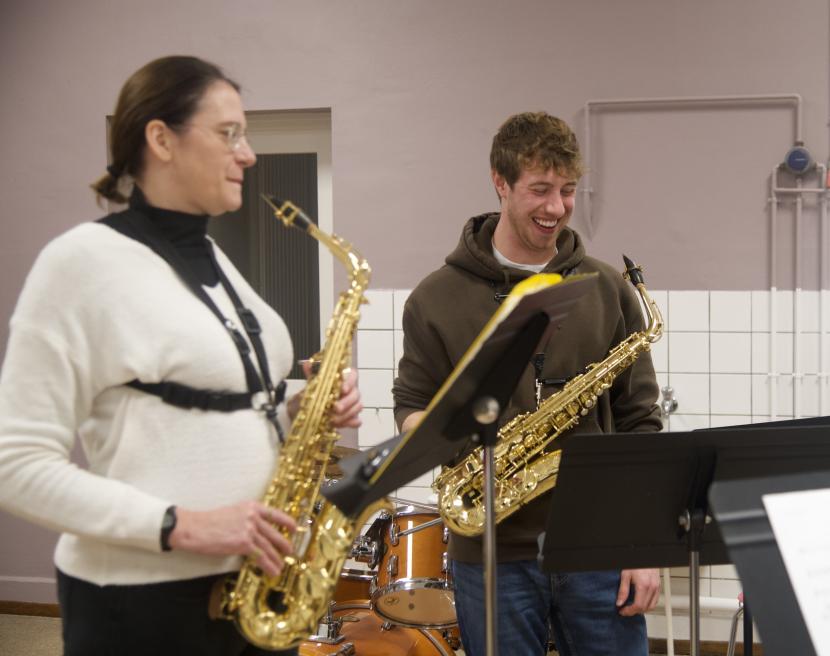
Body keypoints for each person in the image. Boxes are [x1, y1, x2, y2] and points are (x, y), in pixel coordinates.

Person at [0, 56, 362, 656]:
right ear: (161, 139)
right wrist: (181, 524)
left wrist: (302, 409)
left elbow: (202, 410)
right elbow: (14, 464)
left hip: (255, 585)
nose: (248, 155)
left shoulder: (215, 261)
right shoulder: (80, 263)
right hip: (143, 604)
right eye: (229, 134)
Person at [392, 111, 663, 656]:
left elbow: (640, 421)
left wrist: (643, 544)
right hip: (491, 553)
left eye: (568, 190)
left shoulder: (607, 287)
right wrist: (445, 434)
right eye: (540, 189)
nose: (556, 208)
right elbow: (412, 403)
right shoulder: (435, 298)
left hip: (598, 547)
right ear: (500, 182)